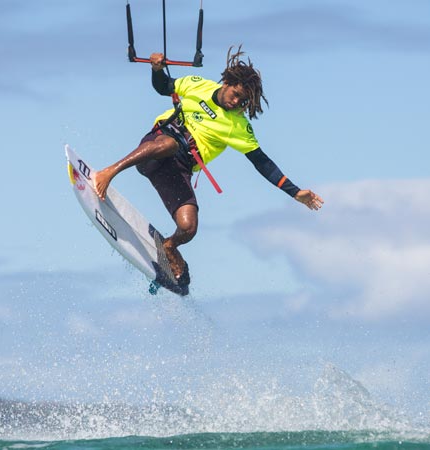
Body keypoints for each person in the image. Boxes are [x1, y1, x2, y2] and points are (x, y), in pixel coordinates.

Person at [93, 46, 324, 286]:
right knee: (169, 144)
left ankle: (169, 247)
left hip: (178, 168)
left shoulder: (238, 126)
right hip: (155, 148)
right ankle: (109, 172)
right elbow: (164, 87)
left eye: (242, 101)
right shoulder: (198, 85)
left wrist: (295, 192)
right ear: (226, 82)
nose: (236, 102)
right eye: (235, 94)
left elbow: (262, 163)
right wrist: (156, 69)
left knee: (188, 226)